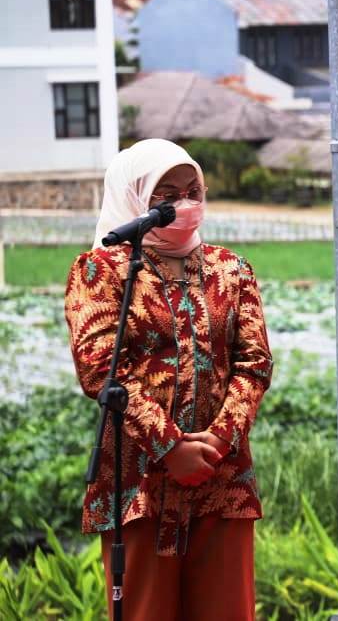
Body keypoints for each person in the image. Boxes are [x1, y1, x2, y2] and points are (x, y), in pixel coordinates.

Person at [64, 139, 273, 621]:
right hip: (140, 479)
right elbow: (101, 370)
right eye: (166, 196)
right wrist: (169, 447)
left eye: (193, 190)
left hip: (223, 480)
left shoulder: (232, 269)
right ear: (135, 200)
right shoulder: (102, 272)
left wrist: (218, 440)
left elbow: (254, 363)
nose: (185, 204)